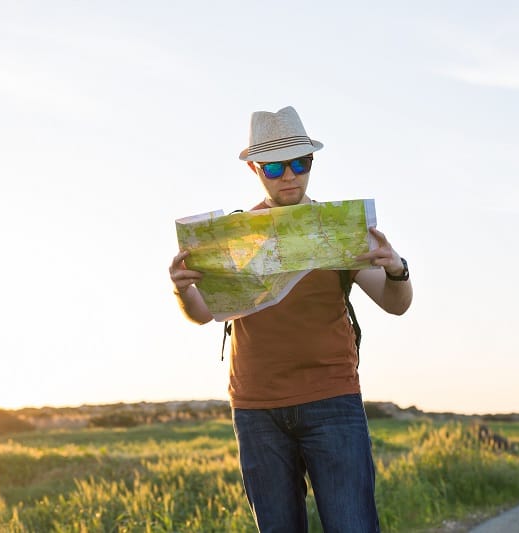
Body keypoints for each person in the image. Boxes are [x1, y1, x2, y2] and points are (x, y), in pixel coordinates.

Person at [168, 106, 413, 532]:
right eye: (276, 167)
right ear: (255, 170)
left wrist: (397, 269)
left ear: (311, 164)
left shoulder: (336, 229)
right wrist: (182, 288)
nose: (289, 177)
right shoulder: (233, 237)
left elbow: (396, 304)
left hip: (332, 401)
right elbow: (203, 314)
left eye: (300, 164)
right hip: (256, 408)